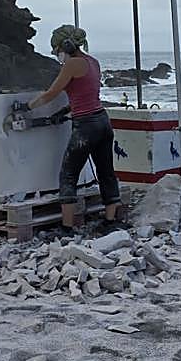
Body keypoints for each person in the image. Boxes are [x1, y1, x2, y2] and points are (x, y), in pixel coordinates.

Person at [26, 24, 123, 232]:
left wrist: (27, 107)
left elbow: (51, 93)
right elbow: (85, 95)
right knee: (106, 172)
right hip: (103, 122)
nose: (57, 54)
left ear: (67, 46)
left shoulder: (71, 65)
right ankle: (111, 221)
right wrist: (64, 110)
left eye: (57, 49)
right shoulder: (93, 62)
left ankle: (67, 227)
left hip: (86, 127)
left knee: (68, 174)